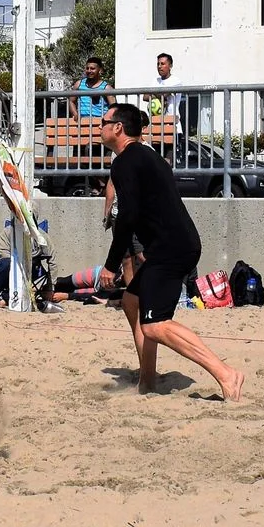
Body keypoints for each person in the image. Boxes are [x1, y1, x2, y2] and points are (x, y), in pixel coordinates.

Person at [101, 102, 244, 400]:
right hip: (173, 245)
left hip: (172, 249)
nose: (98, 127)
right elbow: (150, 208)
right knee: (132, 301)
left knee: (154, 324)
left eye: (103, 122)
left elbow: (127, 216)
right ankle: (148, 380)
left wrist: (111, 264)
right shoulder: (146, 156)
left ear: (118, 128)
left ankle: (226, 374)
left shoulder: (125, 161)